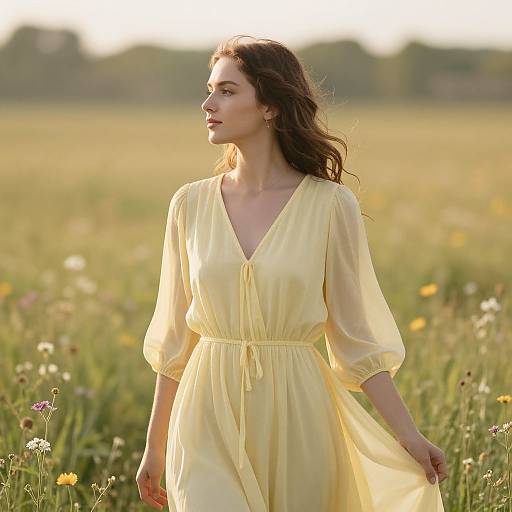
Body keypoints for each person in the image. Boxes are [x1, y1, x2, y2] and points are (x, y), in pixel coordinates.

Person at [136, 35, 449, 511]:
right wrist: (154, 447)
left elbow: (356, 337)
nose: (207, 103)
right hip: (205, 414)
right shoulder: (189, 204)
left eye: (227, 90)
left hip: (298, 412)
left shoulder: (330, 206)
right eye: (209, 89)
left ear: (271, 107)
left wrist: (408, 435)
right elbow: (175, 341)